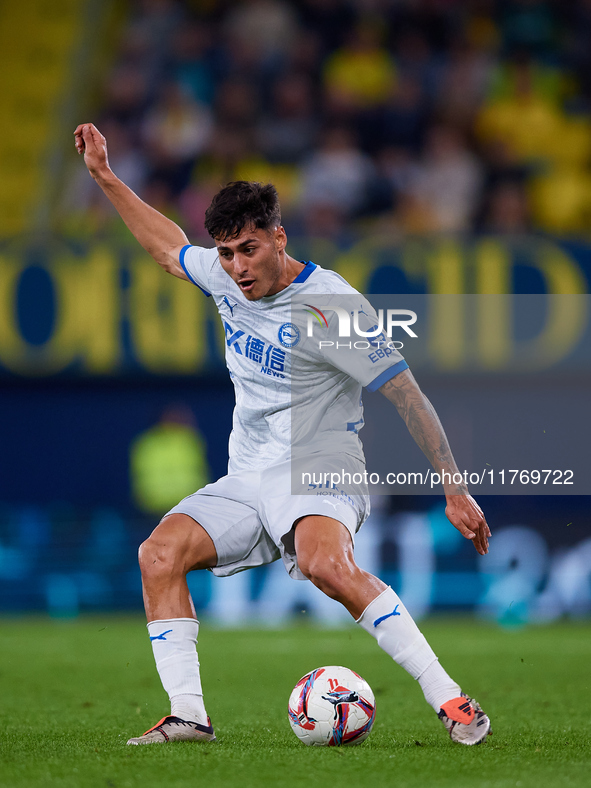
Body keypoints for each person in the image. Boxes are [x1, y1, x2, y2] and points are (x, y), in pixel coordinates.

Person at [74, 123, 492, 747]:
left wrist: (454, 489)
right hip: (248, 473)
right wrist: (107, 177)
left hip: (323, 462)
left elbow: (406, 394)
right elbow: (168, 247)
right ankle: (188, 715)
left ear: (279, 237)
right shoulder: (222, 276)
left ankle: (453, 701)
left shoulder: (333, 306)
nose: (237, 268)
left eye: (248, 249)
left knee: (326, 565)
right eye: (226, 253)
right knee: (157, 555)